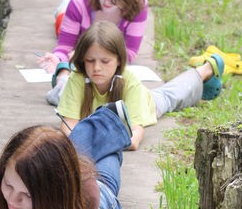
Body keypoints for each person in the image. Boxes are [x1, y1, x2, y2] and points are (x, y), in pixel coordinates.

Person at [57, 21, 224, 154]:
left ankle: (206, 69)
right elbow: (68, 125)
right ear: (82, 59)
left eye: (105, 61)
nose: (97, 68)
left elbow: (134, 138)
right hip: (112, 109)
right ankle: (59, 74)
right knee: (57, 94)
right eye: (90, 61)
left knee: (169, 95)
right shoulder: (77, 78)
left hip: (147, 102)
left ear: (119, 60)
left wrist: (89, 143)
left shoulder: (130, 83)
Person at [37, 0, 148, 106]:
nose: (106, 1)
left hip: (83, 46)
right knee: (61, 20)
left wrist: (86, 56)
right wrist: (57, 59)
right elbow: (64, 47)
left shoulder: (138, 4)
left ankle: (64, 6)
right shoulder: (80, 2)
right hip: (77, 27)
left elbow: (130, 52)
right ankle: (64, 7)